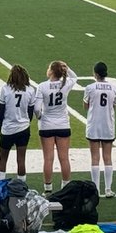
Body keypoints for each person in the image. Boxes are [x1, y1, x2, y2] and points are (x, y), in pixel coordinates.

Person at [36, 59, 77, 193]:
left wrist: (40, 117)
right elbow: (74, 77)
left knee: (48, 158)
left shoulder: (42, 86)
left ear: (52, 71)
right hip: (63, 124)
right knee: (64, 158)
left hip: (46, 125)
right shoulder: (65, 84)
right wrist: (67, 67)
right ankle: (66, 188)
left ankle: (48, 189)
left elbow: (37, 109)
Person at [83, 61, 116, 197]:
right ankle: (108, 189)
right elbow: (114, 105)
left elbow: (86, 106)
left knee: (95, 157)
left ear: (96, 74)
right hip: (108, 125)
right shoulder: (113, 88)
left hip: (94, 124)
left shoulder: (90, 87)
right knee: (108, 157)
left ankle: (95, 189)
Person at [0, 64, 35, 184]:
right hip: (23, 128)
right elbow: (30, 112)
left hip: (8, 128)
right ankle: (21, 187)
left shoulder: (5, 89)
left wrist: (1, 126)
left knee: (3, 159)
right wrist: (26, 122)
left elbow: (1, 111)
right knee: (21, 159)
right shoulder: (30, 90)